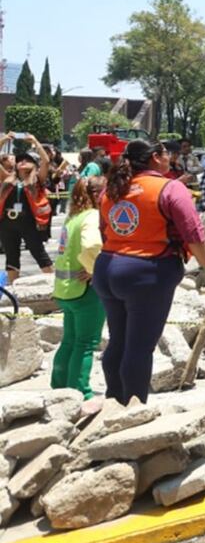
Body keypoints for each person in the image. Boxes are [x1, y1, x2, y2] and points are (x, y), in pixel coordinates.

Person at [94, 140, 205, 404]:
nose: (169, 158)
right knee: (139, 346)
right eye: (166, 154)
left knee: (118, 340)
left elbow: (104, 230)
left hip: (107, 267)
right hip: (147, 272)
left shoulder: (112, 188)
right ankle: (134, 407)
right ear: (155, 157)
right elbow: (193, 232)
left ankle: (114, 400)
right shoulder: (170, 188)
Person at [51, 176, 107, 401]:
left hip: (65, 289)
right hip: (85, 290)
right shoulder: (92, 216)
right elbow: (92, 245)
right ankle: (80, 391)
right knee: (86, 343)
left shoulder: (73, 217)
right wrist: (95, 269)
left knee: (70, 340)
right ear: (97, 195)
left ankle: (59, 386)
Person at [0, 133, 54, 281]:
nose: (23, 162)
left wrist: (35, 141)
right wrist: (3, 141)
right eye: (20, 160)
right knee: (11, 257)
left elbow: (46, 161)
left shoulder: (37, 179)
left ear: (34, 165)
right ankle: (12, 288)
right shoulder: (8, 178)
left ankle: (54, 285)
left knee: (39, 253)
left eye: (28, 160)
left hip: (29, 222)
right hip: (7, 223)